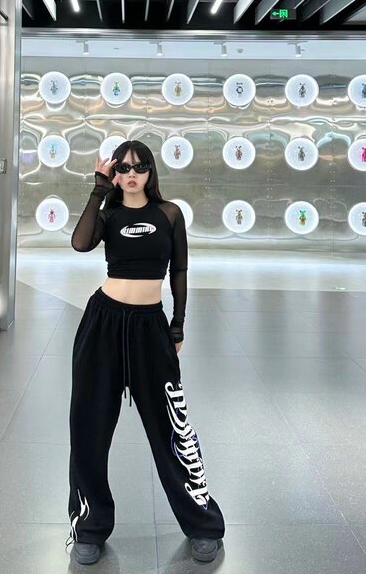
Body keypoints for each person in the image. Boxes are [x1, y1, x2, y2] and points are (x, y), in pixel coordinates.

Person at [66, 140, 225, 565]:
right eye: (123, 168)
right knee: (88, 427)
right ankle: (89, 527)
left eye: (140, 167)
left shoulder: (169, 214)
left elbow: (180, 270)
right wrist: (98, 188)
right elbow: (80, 243)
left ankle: (203, 523)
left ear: (151, 172)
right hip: (102, 325)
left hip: (151, 328)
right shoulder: (109, 215)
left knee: (173, 428)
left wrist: (178, 323)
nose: (132, 174)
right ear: (114, 173)